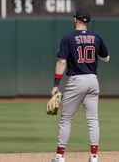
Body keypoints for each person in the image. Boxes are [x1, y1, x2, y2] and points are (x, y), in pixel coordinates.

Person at [47, 9, 110, 162]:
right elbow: (106, 58)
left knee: (66, 119)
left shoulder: (68, 37)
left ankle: (60, 156)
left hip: (76, 80)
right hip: (93, 80)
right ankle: (94, 156)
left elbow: (62, 61)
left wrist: (56, 85)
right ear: (88, 22)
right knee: (93, 119)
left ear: (76, 20)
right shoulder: (96, 37)